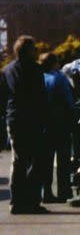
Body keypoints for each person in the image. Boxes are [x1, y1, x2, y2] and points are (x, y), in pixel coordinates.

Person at [0, 35, 48, 214]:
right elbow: (41, 97)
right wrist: (46, 120)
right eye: (34, 48)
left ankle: (16, 202)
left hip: (13, 119)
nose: (36, 51)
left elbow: (3, 97)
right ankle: (32, 202)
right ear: (28, 51)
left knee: (18, 160)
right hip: (32, 120)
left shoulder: (7, 70)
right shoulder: (35, 69)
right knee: (36, 161)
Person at [39, 52, 75, 202]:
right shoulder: (59, 78)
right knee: (63, 160)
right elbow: (69, 101)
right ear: (54, 63)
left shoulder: (39, 78)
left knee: (45, 161)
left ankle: (46, 193)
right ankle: (64, 191)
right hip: (60, 124)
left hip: (43, 124)